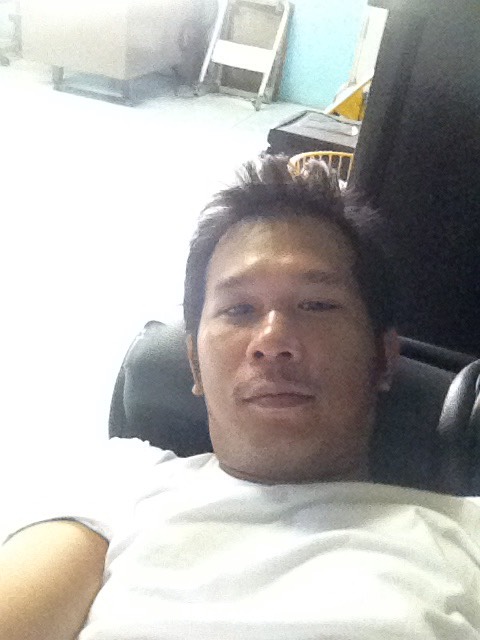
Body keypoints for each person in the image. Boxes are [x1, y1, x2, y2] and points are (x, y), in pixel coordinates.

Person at [2, 154, 480, 640]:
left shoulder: (465, 535)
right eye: (238, 309)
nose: (272, 340)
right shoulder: (120, 484)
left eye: (316, 305)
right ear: (194, 363)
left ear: (383, 358)